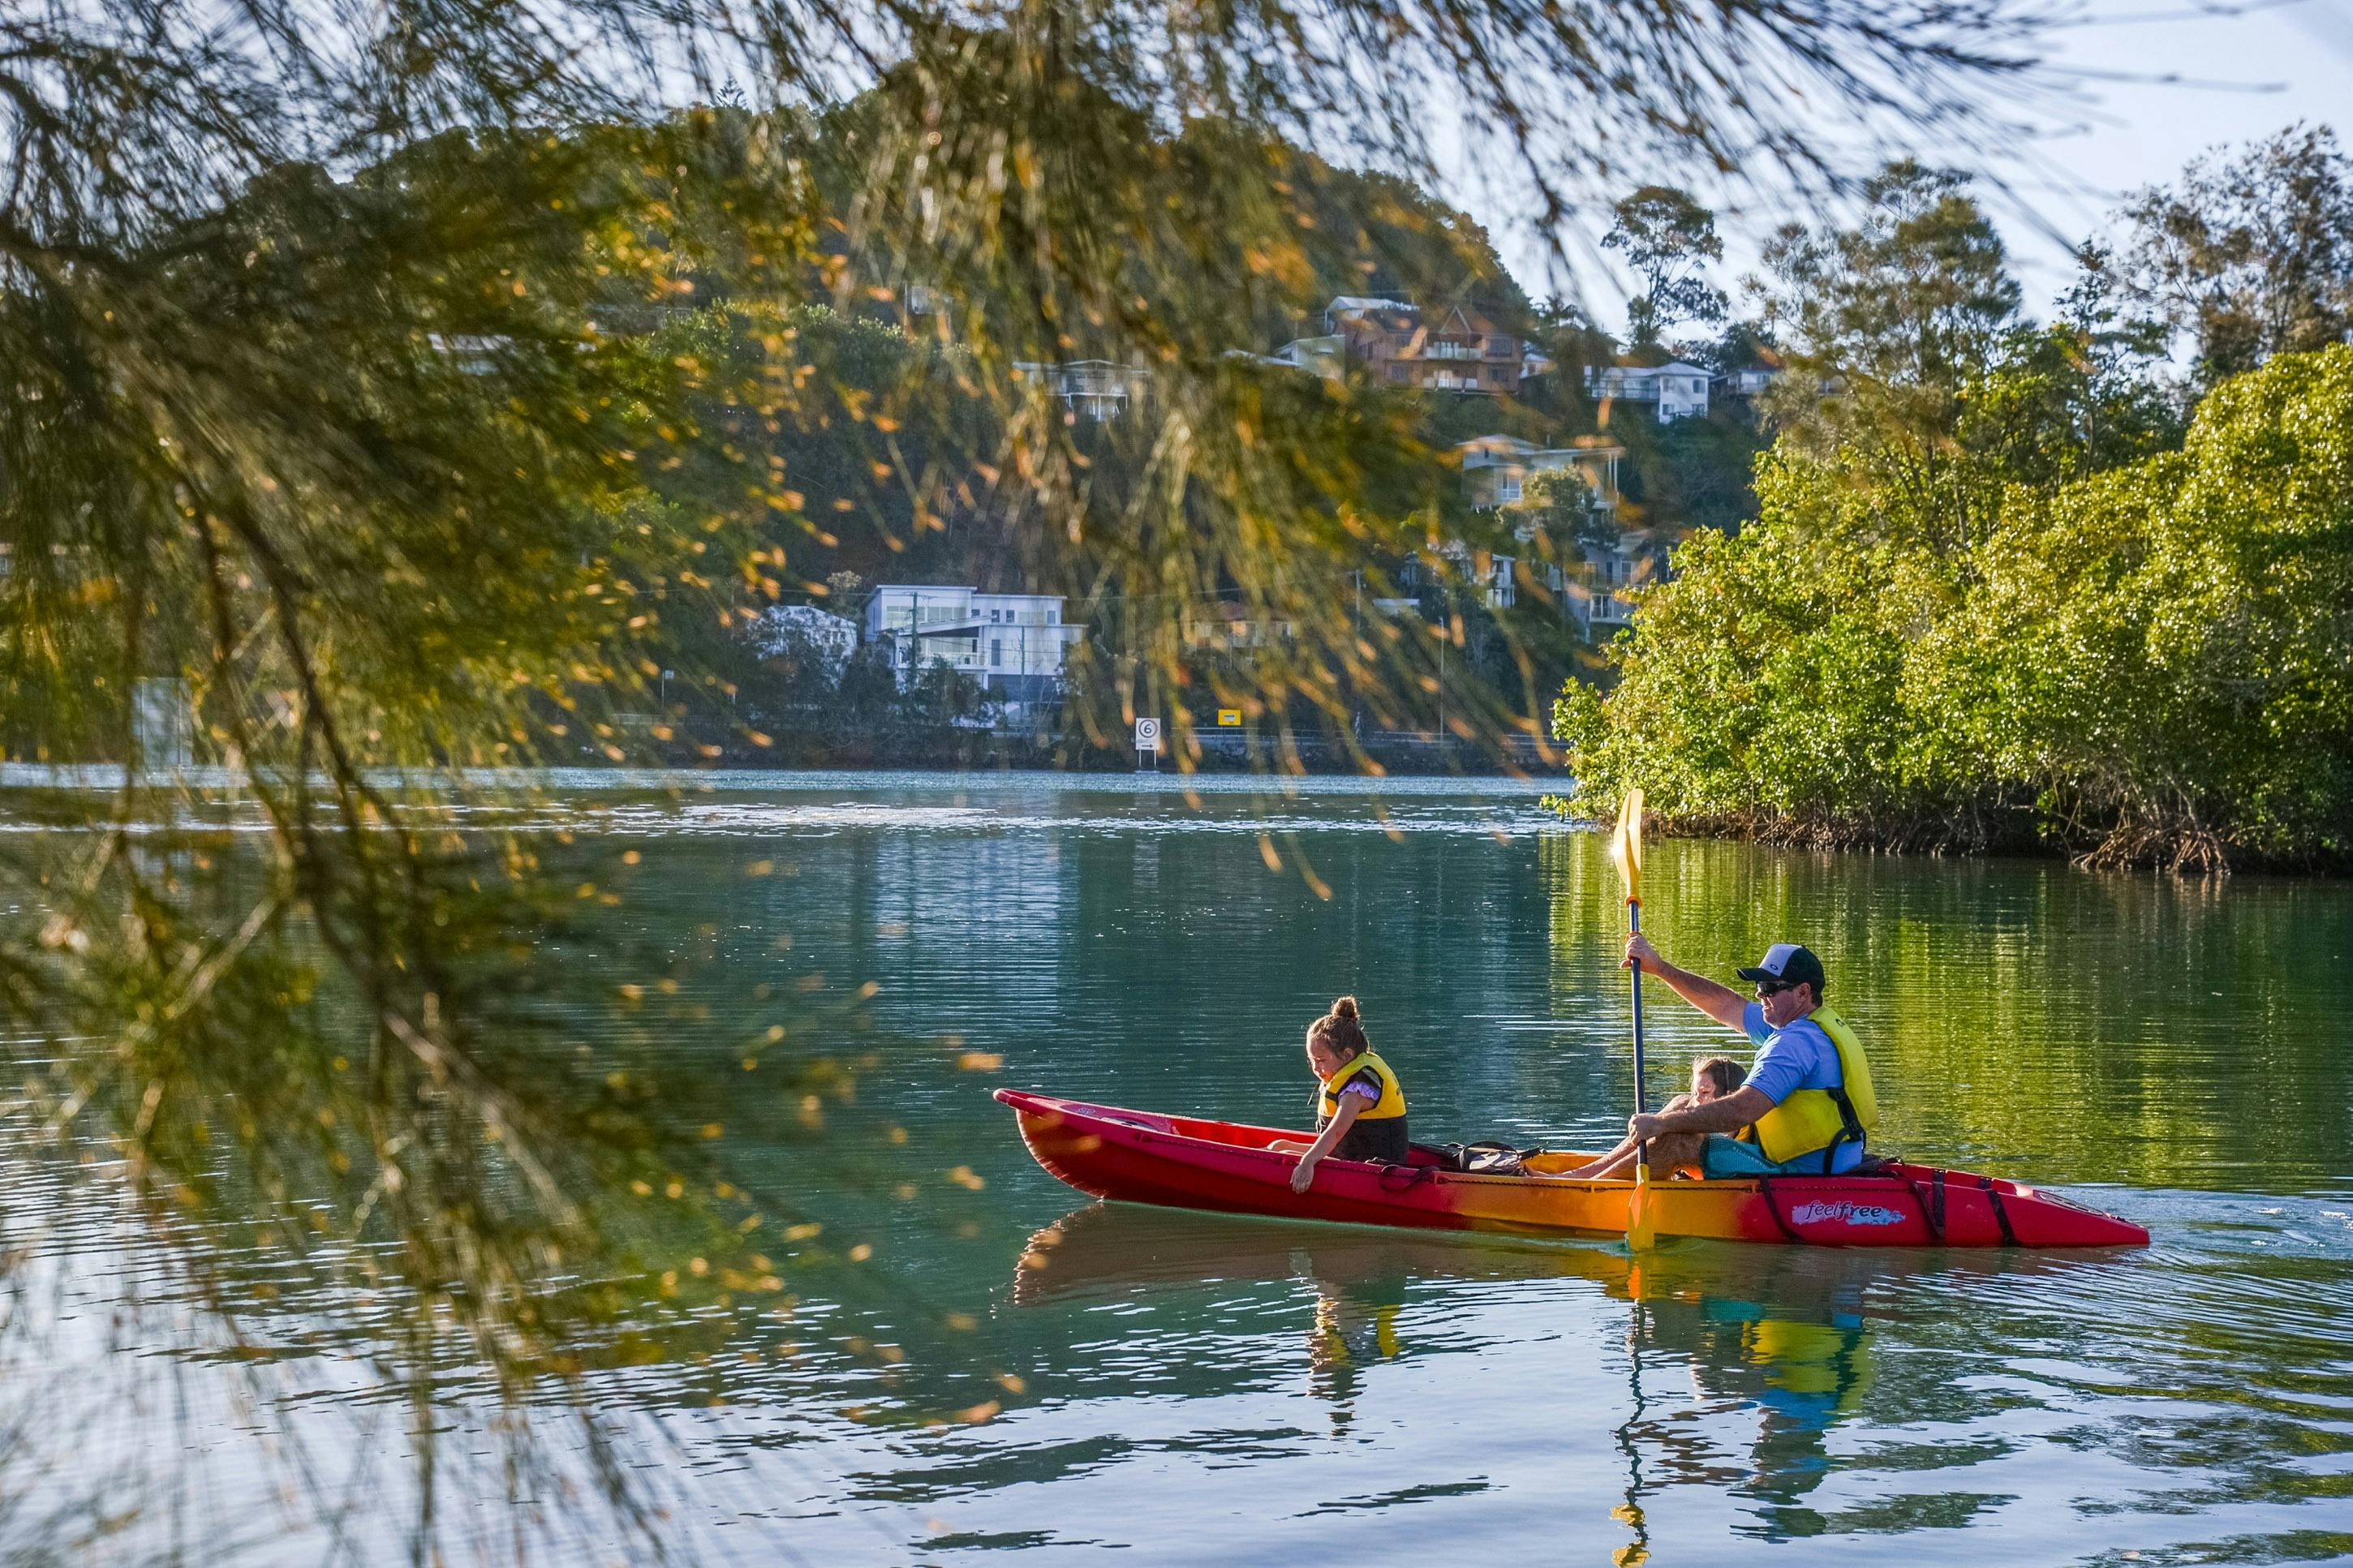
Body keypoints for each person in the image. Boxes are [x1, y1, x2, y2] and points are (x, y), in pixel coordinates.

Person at [1618, 937, 1878, 1179]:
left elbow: (1740, 1111)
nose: (1759, 994)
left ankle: (1589, 1192)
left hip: (1800, 1173)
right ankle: (1587, 1176)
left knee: (1676, 1140)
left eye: (1769, 988)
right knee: (1683, 1103)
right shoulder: (1806, 1023)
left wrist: (1660, 1123)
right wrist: (1660, 967)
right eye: (1759, 985)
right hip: (1820, 1158)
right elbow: (1726, 1005)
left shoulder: (1795, 1043)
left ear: (1802, 992)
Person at [1275, 996, 1409, 1192]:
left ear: (1346, 1055)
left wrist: (1308, 1162)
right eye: (1311, 1060)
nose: (1315, 1068)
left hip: (1374, 1168)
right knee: (1278, 1146)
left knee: (1285, 1155)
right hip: (1349, 1156)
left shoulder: (1357, 1090)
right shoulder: (1348, 1072)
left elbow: (1335, 1132)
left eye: (1321, 1060)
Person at [1563, 1056, 1746, 1179]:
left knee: (1675, 1139)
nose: (1696, 1100)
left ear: (1729, 1095)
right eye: (1695, 1092)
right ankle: (1581, 1174)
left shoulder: (1739, 1119)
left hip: (1730, 1169)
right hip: (1701, 1163)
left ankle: (1593, 1183)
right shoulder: (1692, 1103)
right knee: (1681, 1102)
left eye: (1705, 1092)